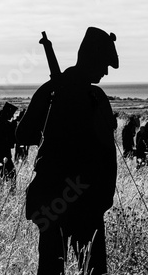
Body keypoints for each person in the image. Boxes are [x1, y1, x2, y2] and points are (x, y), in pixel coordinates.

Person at [16, 27, 118, 275]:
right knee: (92, 269)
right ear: (91, 58)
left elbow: (23, 135)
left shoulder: (52, 90)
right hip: (86, 201)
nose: (105, 71)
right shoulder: (94, 96)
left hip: (54, 201)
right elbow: (107, 150)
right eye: (104, 64)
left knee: (51, 269)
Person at [0, 102, 17, 188]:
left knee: (0, 174)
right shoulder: (3, 124)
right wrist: (13, 127)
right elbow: (9, 140)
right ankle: (9, 192)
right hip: (1, 152)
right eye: (11, 114)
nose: (11, 117)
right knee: (9, 173)